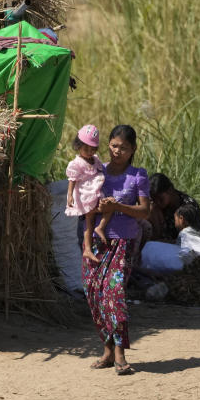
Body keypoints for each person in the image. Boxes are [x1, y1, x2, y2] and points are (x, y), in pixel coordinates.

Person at [85, 125, 151, 376]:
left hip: (123, 241)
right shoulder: (96, 170)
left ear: (133, 149)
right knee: (94, 295)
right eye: (113, 146)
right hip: (95, 241)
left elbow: (144, 211)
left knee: (114, 295)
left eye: (123, 148)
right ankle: (107, 350)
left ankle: (121, 353)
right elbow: (85, 205)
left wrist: (119, 206)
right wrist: (86, 242)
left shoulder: (138, 176)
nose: (117, 151)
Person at [65, 124, 112, 262]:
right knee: (89, 220)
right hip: (86, 194)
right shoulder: (77, 163)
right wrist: (69, 196)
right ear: (78, 146)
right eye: (86, 149)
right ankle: (88, 249)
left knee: (109, 206)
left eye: (92, 149)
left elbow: (101, 169)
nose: (89, 152)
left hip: (96, 192)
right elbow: (72, 180)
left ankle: (100, 228)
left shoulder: (95, 160)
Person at [148, 173, 199, 241]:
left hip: (184, 244)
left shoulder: (188, 205)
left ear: (170, 190)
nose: (157, 202)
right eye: (154, 199)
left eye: (160, 199)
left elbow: (195, 236)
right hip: (161, 242)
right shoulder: (155, 206)